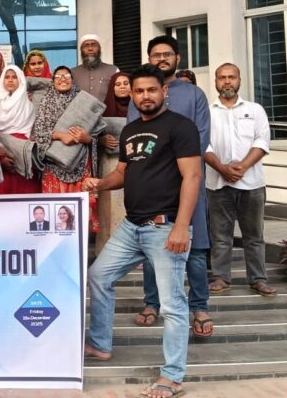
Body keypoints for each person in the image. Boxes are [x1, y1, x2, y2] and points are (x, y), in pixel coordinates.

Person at [82, 63, 202, 398]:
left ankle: (172, 376)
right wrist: (100, 183)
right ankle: (101, 344)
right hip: (131, 226)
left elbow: (193, 176)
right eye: (139, 91)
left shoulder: (181, 127)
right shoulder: (130, 130)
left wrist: (182, 226)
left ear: (164, 91)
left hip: (164, 227)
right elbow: (122, 173)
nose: (145, 96)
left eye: (151, 89)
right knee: (98, 275)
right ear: (132, 95)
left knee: (172, 304)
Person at [128, 35, 213, 337]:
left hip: (190, 180)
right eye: (156, 55)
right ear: (149, 58)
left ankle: (199, 306)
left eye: (167, 54)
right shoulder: (140, 95)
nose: (161, 59)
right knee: (154, 246)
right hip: (154, 185)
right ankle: (152, 303)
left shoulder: (194, 94)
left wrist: (174, 164)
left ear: (178, 58)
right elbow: (135, 138)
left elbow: (201, 138)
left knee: (197, 246)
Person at [204, 63, 276, 297]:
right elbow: (203, 144)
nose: (227, 81)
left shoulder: (255, 110)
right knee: (220, 236)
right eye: (222, 77)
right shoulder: (207, 112)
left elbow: (262, 141)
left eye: (232, 77)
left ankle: (258, 279)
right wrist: (222, 169)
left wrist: (241, 167)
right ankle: (221, 278)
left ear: (239, 80)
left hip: (252, 184)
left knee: (254, 236)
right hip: (217, 183)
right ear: (216, 81)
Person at [32, 67, 98, 227]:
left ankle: (81, 241)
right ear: (53, 81)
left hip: (80, 164)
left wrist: (87, 139)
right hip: (53, 166)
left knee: (80, 216)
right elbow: (38, 134)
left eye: (67, 75)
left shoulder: (83, 102)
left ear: (72, 80)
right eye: (58, 76)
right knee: (56, 213)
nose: (63, 79)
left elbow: (98, 134)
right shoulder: (46, 103)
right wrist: (60, 135)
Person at [0, 65, 39, 194]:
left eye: (14, 77)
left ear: (21, 80)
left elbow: (32, 132)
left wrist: (19, 152)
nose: (10, 80)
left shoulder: (29, 105)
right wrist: (2, 156)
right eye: (7, 77)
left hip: (22, 153)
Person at [96, 71, 131, 254]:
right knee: (108, 208)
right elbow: (91, 136)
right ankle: (108, 251)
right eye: (118, 84)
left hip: (133, 165)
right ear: (112, 88)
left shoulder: (141, 109)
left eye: (126, 83)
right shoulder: (103, 111)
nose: (122, 87)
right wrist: (101, 140)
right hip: (109, 164)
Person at [71, 34, 120, 98]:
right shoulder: (72, 73)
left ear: (99, 49)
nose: (90, 49)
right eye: (86, 46)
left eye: (94, 45)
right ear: (81, 50)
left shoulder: (113, 70)